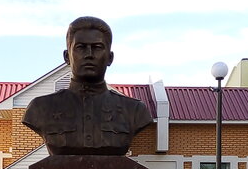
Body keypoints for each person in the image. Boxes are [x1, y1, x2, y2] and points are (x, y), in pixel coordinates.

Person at [23, 17, 153, 155]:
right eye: (81, 47)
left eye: (97, 48)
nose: (89, 55)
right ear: (67, 56)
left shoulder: (135, 111)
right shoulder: (40, 108)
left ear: (110, 58)